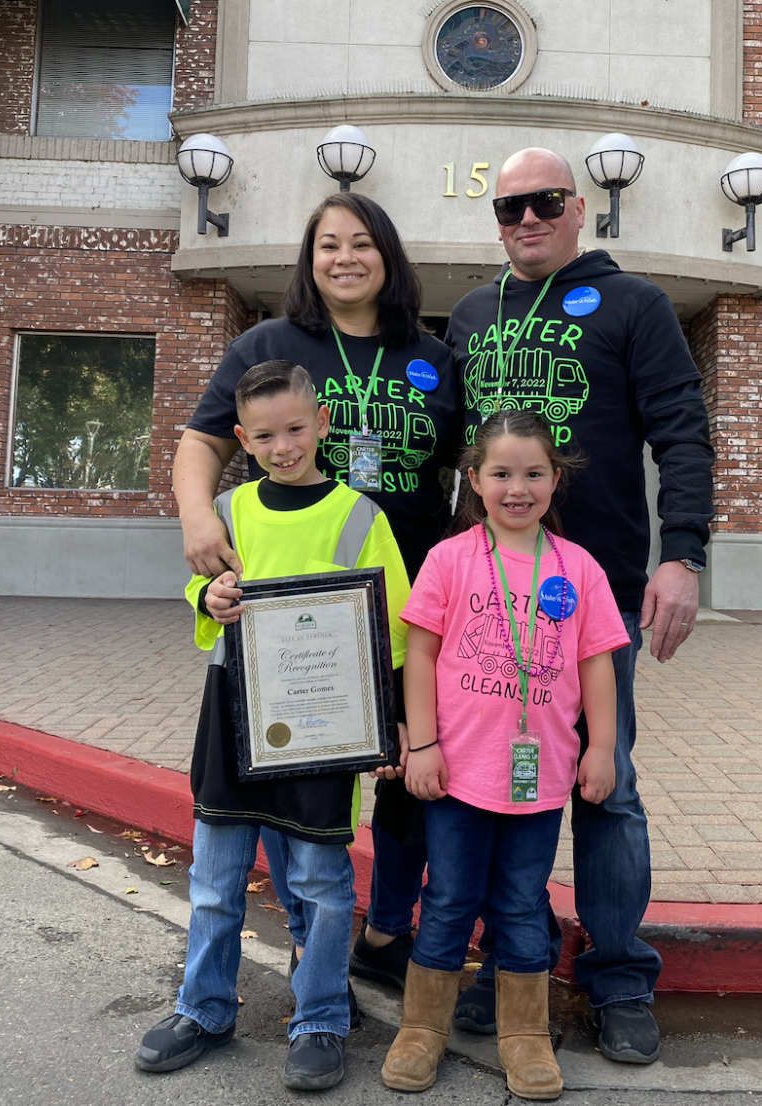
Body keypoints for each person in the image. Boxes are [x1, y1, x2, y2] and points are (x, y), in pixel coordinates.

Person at [445, 148, 714, 1063]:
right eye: (509, 205)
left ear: (579, 208)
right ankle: (509, 963)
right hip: (484, 595)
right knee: (492, 788)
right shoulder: (473, 315)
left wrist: (681, 556)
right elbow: (443, 449)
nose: (526, 218)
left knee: (607, 785)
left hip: (590, 598)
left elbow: (682, 429)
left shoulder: (634, 304)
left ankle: (619, 977)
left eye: (544, 201)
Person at [172, 192, 462, 994]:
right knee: (285, 770)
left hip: (413, 605)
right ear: (309, 258)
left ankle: (383, 930)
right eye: (327, 244)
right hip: (300, 622)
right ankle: (309, 936)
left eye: (362, 243)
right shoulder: (271, 342)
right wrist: (199, 520)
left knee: (404, 775)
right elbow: (202, 437)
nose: (344, 258)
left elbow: (471, 466)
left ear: (388, 254)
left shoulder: (432, 356)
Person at [135, 360, 410, 1089]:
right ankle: (203, 1007)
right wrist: (211, 595)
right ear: (243, 440)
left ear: (322, 423)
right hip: (233, 715)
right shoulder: (229, 512)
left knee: (321, 883)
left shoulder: (360, 516)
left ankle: (320, 1017)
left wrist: (395, 724)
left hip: (325, 727)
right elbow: (202, 587)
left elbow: (395, 636)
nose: (283, 445)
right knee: (215, 878)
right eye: (265, 435)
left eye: (295, 428)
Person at [381, 411, 629, 1100]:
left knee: (522, 904)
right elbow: (422, 656)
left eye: (533, 474)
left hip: (541, 780)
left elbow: (599, 665)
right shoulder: (450, 558)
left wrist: (602, 748)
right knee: (450, 899)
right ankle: (421, 1027)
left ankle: (523, 1033)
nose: (517, 488)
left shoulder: (578, 568)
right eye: (501, 474)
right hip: (457, 774)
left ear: (556, 479)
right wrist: (422, 743)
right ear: (474, 480)